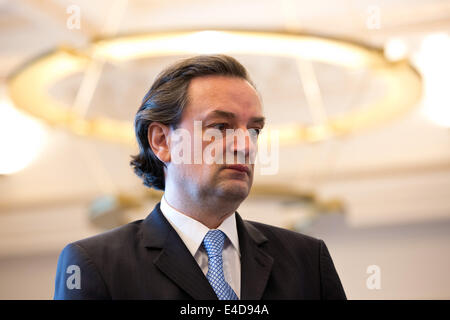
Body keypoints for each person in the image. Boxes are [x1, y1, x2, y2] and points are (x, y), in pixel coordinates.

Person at [54, 54, 346, 300]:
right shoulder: (96, 265)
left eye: (254, 130)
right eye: (220, 126)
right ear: (162, 141)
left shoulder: (307, 261)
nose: (245, 145)